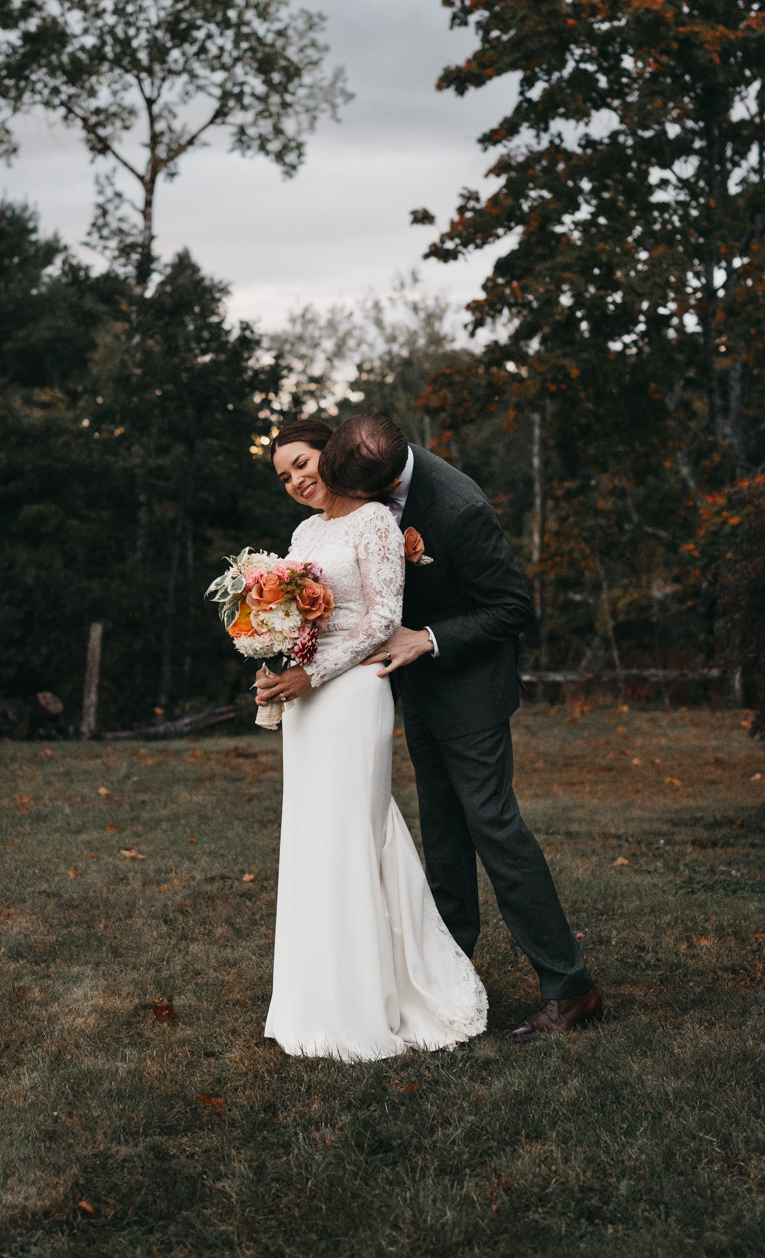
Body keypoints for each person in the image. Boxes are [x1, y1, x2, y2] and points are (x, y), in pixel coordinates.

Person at [264, 414, 600, 1041]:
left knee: (494, 828)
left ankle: (569, 985)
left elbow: (512, 606)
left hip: (468, 686)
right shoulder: (357, 469)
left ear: (388, 480)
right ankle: (449, 975)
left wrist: (431, 638)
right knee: (442, 835)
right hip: (406, 685)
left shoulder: (458, 506)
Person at [250, 419, 487, 1060]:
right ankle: (313, 996)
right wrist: (277, 651)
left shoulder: (379, 522)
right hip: (306, 700)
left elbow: (383, 620)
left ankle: (374, 996)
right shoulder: (304, 532)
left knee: (356, 831)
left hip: (354, 692)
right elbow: (302, 613)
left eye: (301, 463)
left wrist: (311, 673)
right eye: (284, 477)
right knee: (312, 837)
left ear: (330, 454)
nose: (297, 481)